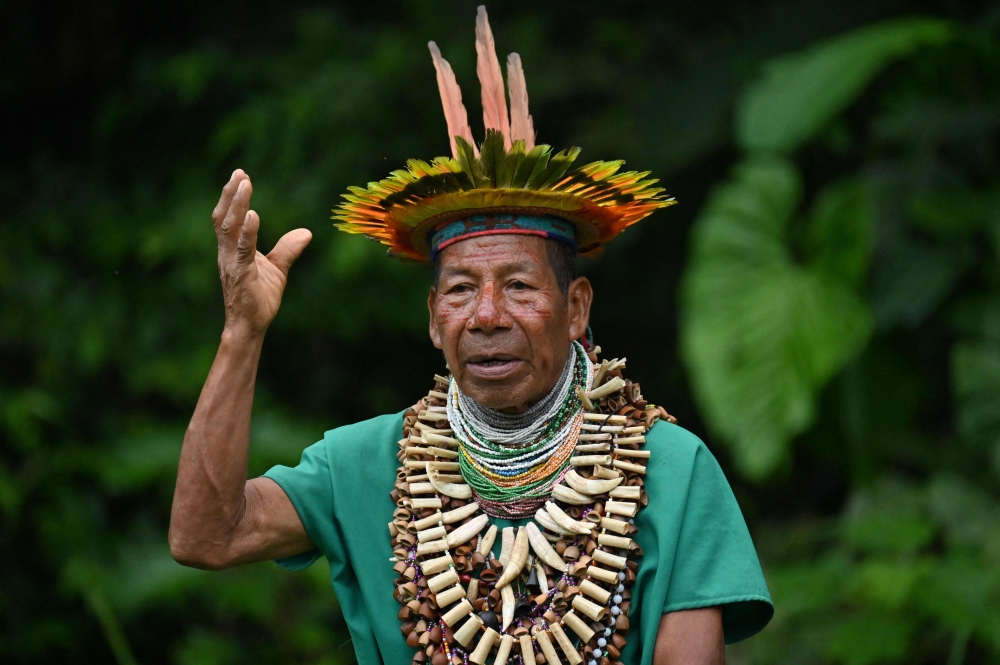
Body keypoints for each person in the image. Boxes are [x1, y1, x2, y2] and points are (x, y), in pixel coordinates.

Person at [169, 7, 772, 665]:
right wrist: (242, 332)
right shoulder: (366, 465)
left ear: (575, 307)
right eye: (460, 290)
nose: (486, 314)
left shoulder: (671, 471)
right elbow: (206, 536)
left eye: (518, 285)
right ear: (433, 317)